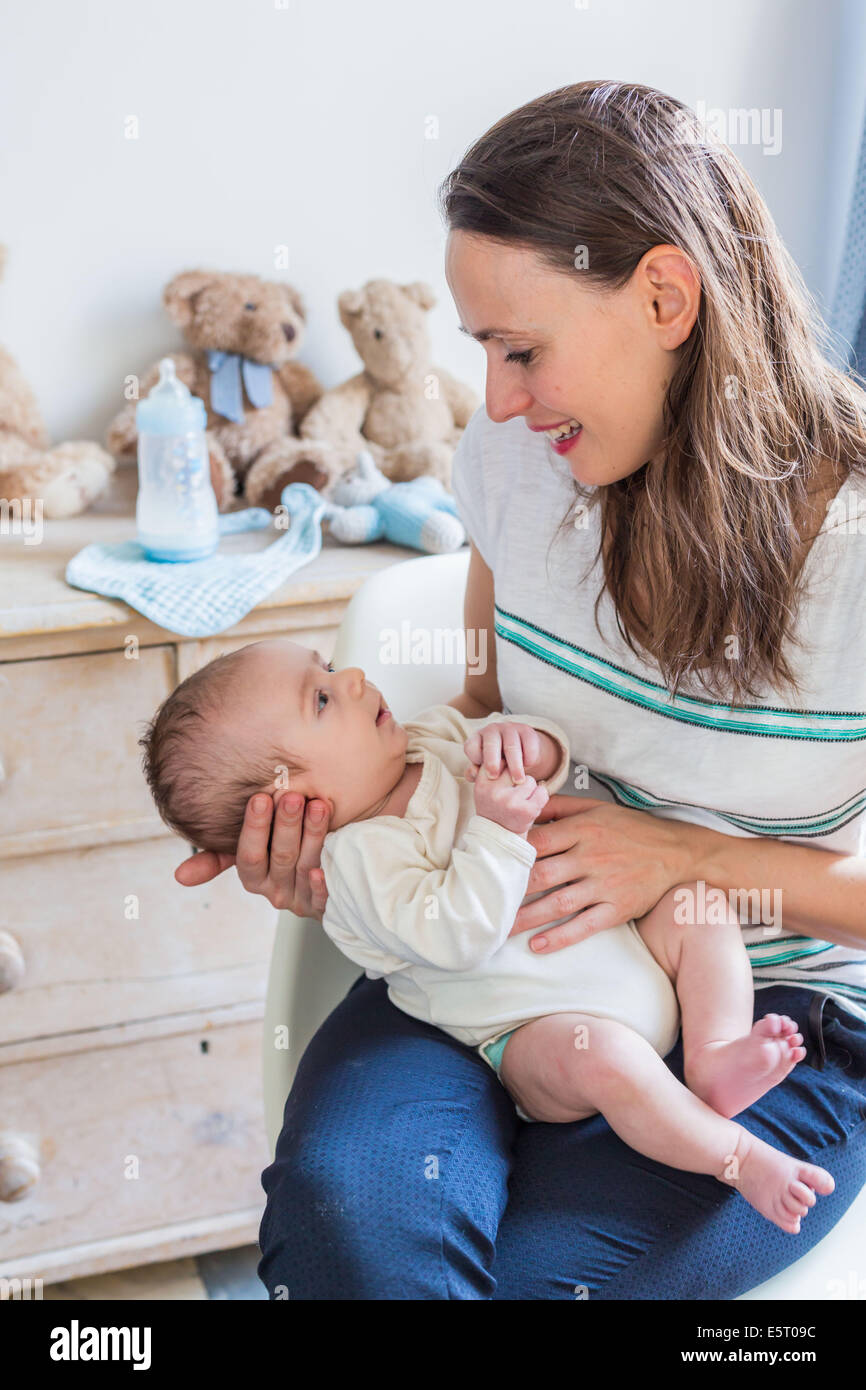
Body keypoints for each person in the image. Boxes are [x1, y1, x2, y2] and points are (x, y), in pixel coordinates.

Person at [176, 80, 866, 1299]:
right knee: (356, 1228)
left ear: (664, 297)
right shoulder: (514, 464)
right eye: (481, 352)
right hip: (484, 976)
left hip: (779, 999)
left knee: (548, 1285)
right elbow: (488, 712)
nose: (493, 401)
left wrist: (680, 861)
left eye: (521, 350)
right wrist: (341, 831)